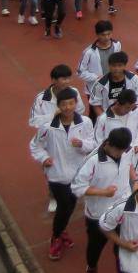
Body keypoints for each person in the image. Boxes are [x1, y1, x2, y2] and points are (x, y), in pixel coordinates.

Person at [29, 87, 96, 260]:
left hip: (77, 174)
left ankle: (62, 230)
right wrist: (44, 158)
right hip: (57, 175)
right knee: (64, 205)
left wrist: (81, 144)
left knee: (71, 205)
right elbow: (36, 146)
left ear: (75, 104)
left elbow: (93, 144)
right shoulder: (47, 128)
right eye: (64, 104)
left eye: (71, 103)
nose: (68, 107)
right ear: (58, 106)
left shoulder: (86, 122)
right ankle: (56, 237)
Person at [71, 126, 135, 272]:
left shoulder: (127, 150)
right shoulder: (92, 161)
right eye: (118, 150)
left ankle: (122, 268)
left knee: (122, 245)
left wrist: (134, 179)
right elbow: (76, 187)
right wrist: (103, 192)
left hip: (122, 209)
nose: (120, 154)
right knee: (96, 246)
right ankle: (92, 267)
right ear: (108, 144)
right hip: (98, 214)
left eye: (123, 151)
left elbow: (130, 163)